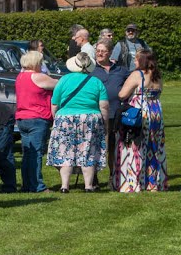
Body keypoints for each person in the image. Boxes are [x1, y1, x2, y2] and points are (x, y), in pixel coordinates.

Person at [47, 53, 109, 193]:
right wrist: (104, 124)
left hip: (65, 118)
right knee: (88, 151)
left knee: (65, 152)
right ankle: (88, 186)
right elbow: (104, 106)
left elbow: (55, 104)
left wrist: (56, 119)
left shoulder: (64, 80)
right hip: (89, 118)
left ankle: (64, 186)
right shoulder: (96, 82)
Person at [113, 49, 167, 191]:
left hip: (139, 112)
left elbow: (122, 94)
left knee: (135, 144)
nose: (134, 62)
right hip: (155, 111)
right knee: (154, 146)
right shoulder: (157, 75)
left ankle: (133, 182)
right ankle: (153, 183)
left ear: (142, 60)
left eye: (136, 59)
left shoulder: (137, 74)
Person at [16, 50, 57, 193]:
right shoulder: (38, 77)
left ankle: (27, 184)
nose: (42, 65)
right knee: (36, 153)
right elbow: (59, 84)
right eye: (40, 62)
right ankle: (37, 186)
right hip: (37, 117)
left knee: (28, 153)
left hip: (22, 117)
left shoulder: (20, 77)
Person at [92, 38, 128, 175]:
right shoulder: (90, 70)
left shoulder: (121, 70)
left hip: (115, 114)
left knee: (113, 148)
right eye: (98, 51)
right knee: (94, 147)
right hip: (96, 114)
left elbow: (136, 80)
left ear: (110, 53)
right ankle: (92, 178)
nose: (99, 54)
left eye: (103, 51)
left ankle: (113, 177)